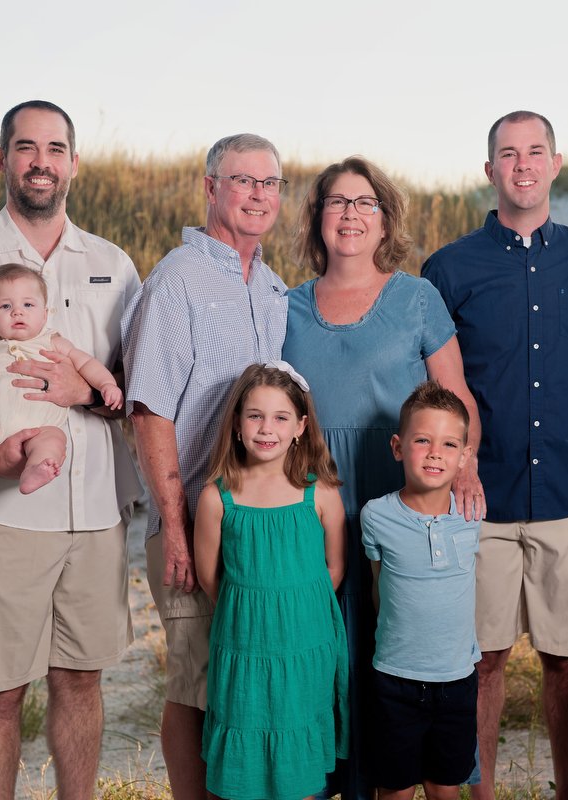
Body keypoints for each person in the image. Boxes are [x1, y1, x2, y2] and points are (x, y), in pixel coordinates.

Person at [0, 100, 142, 799]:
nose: (41, 160)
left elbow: (139, 384)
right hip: (2, 520)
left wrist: (86, 391)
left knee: (80, 680)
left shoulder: (112, 264)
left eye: (55, 147)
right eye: (25, 147)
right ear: (2, 160)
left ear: (73, 161)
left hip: (95, 514)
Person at [421, 111, 568, 800]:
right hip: (482, 498)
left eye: (536, 152)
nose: (523, 165)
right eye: (509, 153)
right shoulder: (447, 269)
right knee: (484, 660)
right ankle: (482, 794)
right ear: (489, 170)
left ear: (557, 165)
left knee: (567, 660)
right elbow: (434, 387)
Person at [282, 156, 481, 800]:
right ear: (318, 218)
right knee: (325, 643)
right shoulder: (285, 306)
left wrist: (465, 471)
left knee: (394, 641)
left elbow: (457, 397)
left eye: (364, 202)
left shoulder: (416, 297)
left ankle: (395, 777)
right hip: (317, 494)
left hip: (401, 490)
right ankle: (328, 778)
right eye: (336, 202)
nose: (349, 213)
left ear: (384, 217)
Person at [121, 133, 289, 798]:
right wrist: (175, 526)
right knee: (195, 682)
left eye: (269, 182)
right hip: (190, 518)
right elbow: (149, 413)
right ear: (210, 187)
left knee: (241, 677)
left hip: (255, 521)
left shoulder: (273, 289)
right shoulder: (176, 281)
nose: (257, 194)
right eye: (242, 180)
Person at [192, 362, 349, 800]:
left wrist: (296, 607)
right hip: (245, 648)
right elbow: (211, 578)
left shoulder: (321, 492)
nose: (267, 429)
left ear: (301, 427)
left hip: (304, 645)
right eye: (255, 415)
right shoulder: (217, 496)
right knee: (242, 755)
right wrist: (254, 613)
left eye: (280, 418)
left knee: (298, 762)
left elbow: (334, 567)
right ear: (237, 424)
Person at [361, 381, 481, 800]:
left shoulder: (473, 516)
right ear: (398, 447)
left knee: (444, 786)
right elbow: (379, 587)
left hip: (457, 679)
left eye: (449, 444)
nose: (435, 452)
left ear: (465, 456)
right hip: (395, 679)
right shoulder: (376, 516)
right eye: (422, 440)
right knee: (394, 788)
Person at [0, 263, 123, 521]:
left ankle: (35, 471)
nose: (17, 313)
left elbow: (87, 364)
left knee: (53, 443)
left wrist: (106, 385)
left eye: (28, 305)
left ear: (44, 315)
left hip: (42, 424)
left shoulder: (52, 341)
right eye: (5, 307)